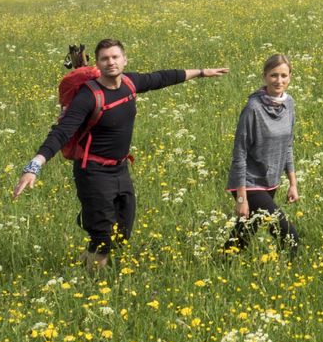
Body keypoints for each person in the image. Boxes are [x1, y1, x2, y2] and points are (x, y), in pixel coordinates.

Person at [13, 38, 228, 269]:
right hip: (93, 173)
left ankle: (83, 263)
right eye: (105, 59)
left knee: (122, 232)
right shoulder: (88, 96)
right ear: (98, 63)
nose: (111, 62)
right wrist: (35, 165)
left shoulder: (130, 82)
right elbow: (62, 132)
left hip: (120, 168)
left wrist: (202, 72)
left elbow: (163, 77)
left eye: (115, 57)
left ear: (124, 60)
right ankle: (95, 287)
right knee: (103, 238)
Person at [223, 53, 299, 255]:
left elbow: (288, 145)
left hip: (270, 182)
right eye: (274, 75)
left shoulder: (289, 104)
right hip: (248, 184)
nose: (279, 81)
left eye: (283, 75)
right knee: (288, 234)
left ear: (290, 77)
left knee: (243, 234)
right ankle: (291, 275)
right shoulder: (253, 108)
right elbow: (239, 153)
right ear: (264, 77)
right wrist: (242, 198)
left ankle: (221, 263)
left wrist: (292, 183)